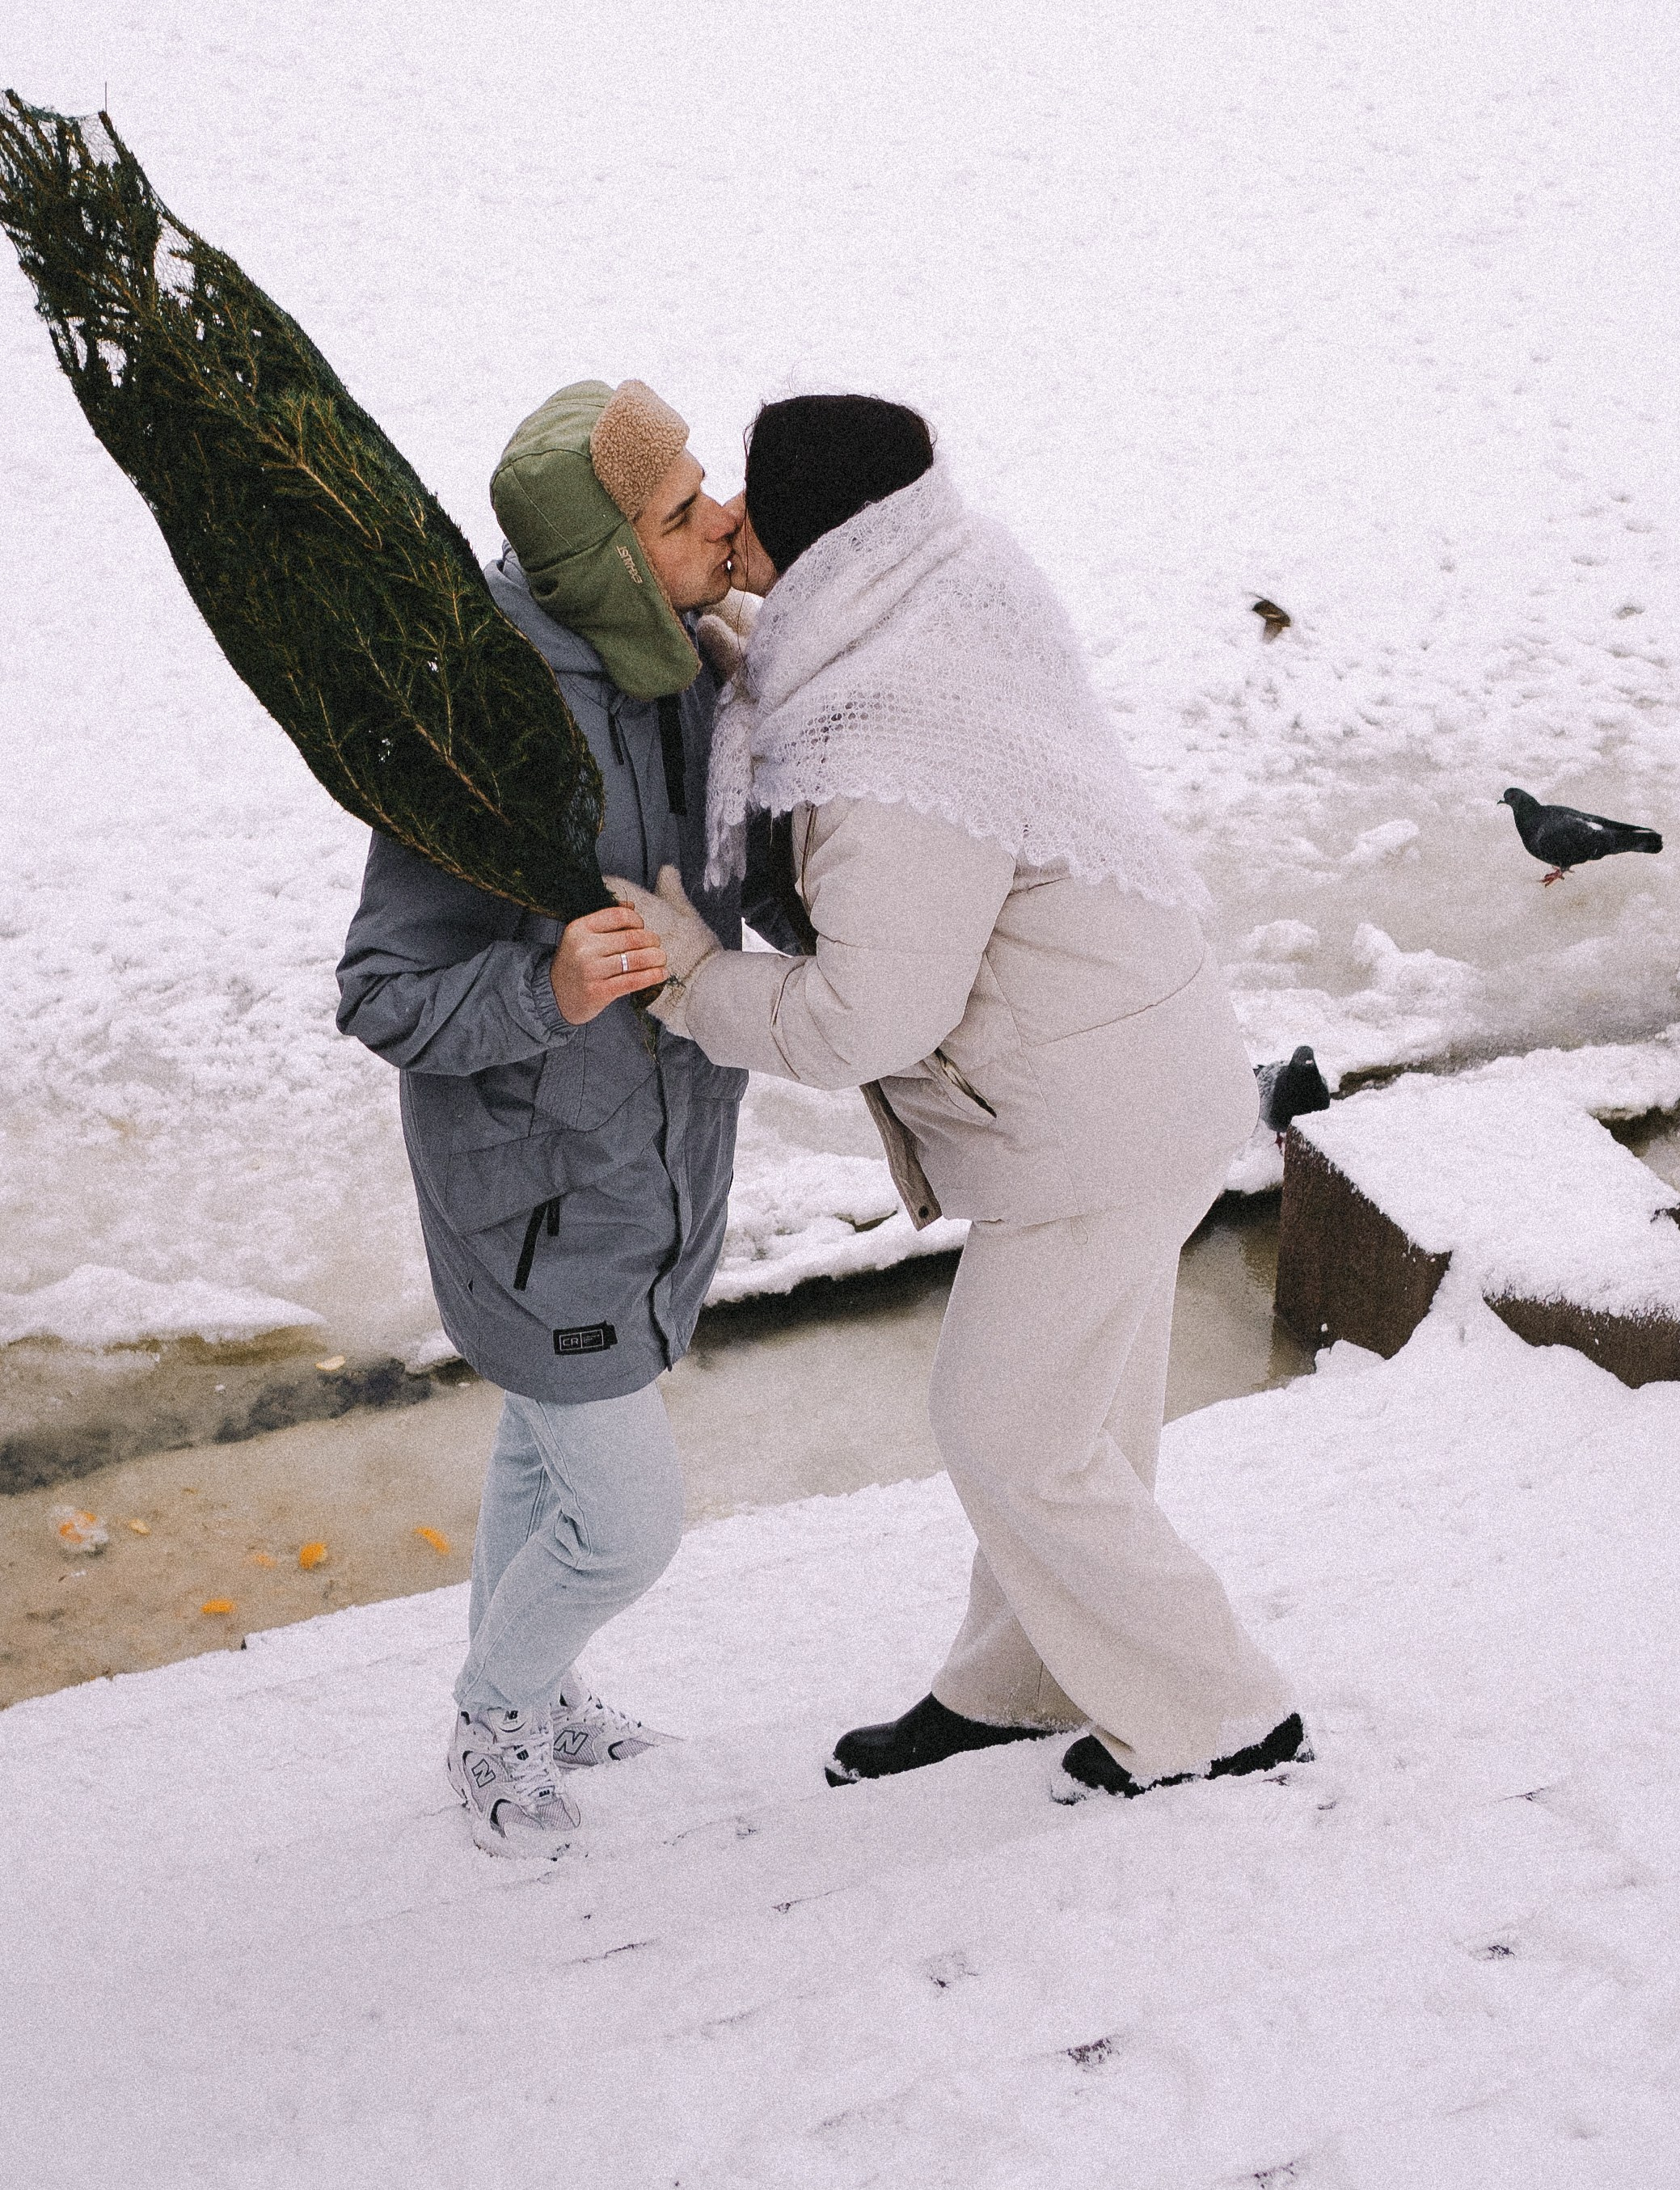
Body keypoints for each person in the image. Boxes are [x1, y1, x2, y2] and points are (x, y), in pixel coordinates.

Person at [614, 394, 1306, 1801]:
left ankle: (1222, 1716)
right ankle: (1027, 1679)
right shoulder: (953, 573)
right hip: (1133, 1062)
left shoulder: (891, 749)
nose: (733, 521)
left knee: (1006, 1429)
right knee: (1080, 1417)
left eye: (756, 506)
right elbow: (842, 677)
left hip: (1090, 1120)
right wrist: (758, 634)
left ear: (831, 542)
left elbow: (868, 1010)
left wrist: (688, 980)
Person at [336, 377, 753, 1857]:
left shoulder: (679, 664)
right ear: (599, 564)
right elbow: (381, 991)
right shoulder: (486, 722)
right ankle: (495, 1712)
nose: (723, 521)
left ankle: (545, 1687)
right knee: (628, 1522)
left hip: (644, 1162)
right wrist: (546, 981)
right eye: (683, 511)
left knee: (540, 1454)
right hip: (536, 1201)